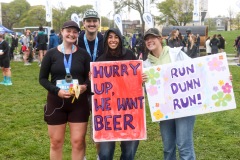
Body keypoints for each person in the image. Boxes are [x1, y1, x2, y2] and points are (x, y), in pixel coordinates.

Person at [39, 20, 91, 160]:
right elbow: (42, 79)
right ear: (61, 32)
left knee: (78, 142)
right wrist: (57, 91)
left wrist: (84, 86)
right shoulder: (50, 54)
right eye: (68, 31)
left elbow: (89, 78)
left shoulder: (84, 55)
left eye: (75, 32)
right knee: (56, 143)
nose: (71, 34)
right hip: (56, 103)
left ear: (78, 35)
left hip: (78, 103)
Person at [143, 28, 196, 160]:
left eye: (152, 38)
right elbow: (147, 91)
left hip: (183, 106)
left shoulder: (176, 54)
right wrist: (142, 83)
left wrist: (222, 77)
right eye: (146, 39)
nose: (149, 41)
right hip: (164, 109)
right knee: (168, 148)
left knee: (184, 147)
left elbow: (197, 69)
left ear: (160, 39)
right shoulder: (145, 65)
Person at [97, 28, 147, 160]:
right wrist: (93, 79)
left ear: (120, 39)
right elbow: (97, 89)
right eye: (110, 37)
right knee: (105, 154)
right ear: (106, 39)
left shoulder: (130, 55)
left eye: (116, 37)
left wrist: (141, 78)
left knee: (129, 152)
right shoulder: (100, 60)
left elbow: (136, 79)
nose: (113, 40)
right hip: (108, 114)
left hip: (129, 111)